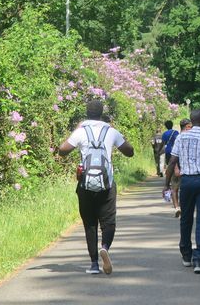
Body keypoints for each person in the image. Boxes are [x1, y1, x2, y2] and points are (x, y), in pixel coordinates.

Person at [58, 100, 134, 275]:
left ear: (87, 112)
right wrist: (116, 136)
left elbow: (62, 150)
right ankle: (105, 247)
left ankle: (94, 264)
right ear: (102, 113)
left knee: (89, 224)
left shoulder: (81, 131)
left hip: (85, 184)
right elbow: (130, 152)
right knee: (109, 221)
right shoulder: (111, 131)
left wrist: (75, 131)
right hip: (106, 184)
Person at [163, 109, 200, 274]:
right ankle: (199, 260)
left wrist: (166, 184)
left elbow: (172, 161)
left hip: (187, 182)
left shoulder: (181, 137)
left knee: (186, 219)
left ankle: (186, 254)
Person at [168, 118, 193, 218]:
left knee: (175, 189)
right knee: (179, 188)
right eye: (190, 127)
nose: (191, 129)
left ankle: (177, 207)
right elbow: (175, 156)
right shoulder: (182, 138)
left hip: (178, 166)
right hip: (181, 167)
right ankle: (182, 207)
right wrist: (176, 168)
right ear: (186, 127)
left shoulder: (179, 137)